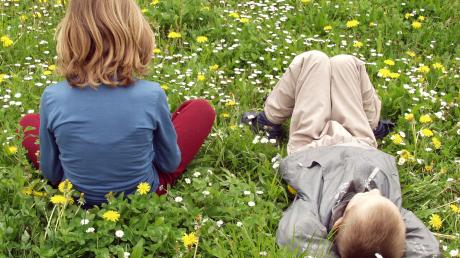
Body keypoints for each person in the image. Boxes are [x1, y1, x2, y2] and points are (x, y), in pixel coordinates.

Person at [242, 50, 440, 257]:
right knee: (346, 63)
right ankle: (375, 126)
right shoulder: (388, 211)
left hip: (313, 147)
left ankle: (267, 121)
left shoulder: (316, 210)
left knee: (313, 60)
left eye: (366, 197)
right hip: (360, 143)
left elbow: (293, 236)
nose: (374, 192)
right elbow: (427, 250)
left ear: (338, 224)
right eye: (381, 197)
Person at [19, 0, 215, 207]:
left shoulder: (52, 97)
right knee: (200, 109)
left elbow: (51, 172)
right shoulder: (152, 94)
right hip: (144, 195)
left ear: (69, 35)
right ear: (137, 33)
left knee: (28, 123)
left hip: (77, 197)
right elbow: (169, 163)